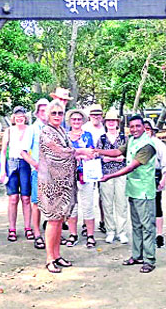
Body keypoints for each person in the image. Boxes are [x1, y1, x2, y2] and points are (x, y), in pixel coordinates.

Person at [37, 99, 94, 273]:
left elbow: (69, 153)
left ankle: (57, 255)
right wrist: (81, 152)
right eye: (53, 113)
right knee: (53, 222)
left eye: (60, 113)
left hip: (65, 184)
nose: (57, 116)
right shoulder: (46, 132)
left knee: (59, 221)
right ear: (47, 115)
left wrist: (82, 156)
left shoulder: (61, 130)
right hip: (51, 185)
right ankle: (49, 259)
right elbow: (58, 152)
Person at [100, 115, 157, 274]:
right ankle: (137, 255)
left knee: (147, 226)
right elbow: (117, 151)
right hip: (133, 189)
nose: (134, 129)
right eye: (131, 127)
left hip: (144, 191)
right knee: (136, 225)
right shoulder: (131, 140)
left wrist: (110, 176)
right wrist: (97, 151)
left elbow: (131, 166)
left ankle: (149, 259)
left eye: (138, 126)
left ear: (143, 127)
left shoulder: (147, 145)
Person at [0, 106, 32, 242]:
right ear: (13, 117)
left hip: (26, 164)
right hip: (11, 163)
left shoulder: (30, 131)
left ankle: (28, 228)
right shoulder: (9, 131)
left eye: (22, 115)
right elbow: (3, 151)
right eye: (17, 115)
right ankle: (12, 228)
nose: (19, 118)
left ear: (25, 117)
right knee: (13, 198)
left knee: (26, 198)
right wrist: (2, 170)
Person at [65, 108, 97, 248]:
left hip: (85, 174)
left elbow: (92, 153)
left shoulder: (88, 135)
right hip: (68, 176)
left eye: (79, 119)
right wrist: (79, 154)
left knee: (88, 205)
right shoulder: (65, 136)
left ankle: (90, 235)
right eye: (74, 119)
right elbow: (63, 154)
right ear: (70, 121)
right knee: (72, 207)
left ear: (82, 121)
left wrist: (78, 155)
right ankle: (73, 234)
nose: (76, 122)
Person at [21, 98, 49, 249]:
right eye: (42, 110)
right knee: (36, 203)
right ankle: (37, 233)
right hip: (38, 172)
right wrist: (36, 165)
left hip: (54, 172)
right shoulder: (32, 129)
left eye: (47, 110)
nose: (45, 113)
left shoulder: (54, 128)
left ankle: (53, 233)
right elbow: (23, 152)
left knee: (53, 204)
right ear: (37, 113)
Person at [97, 110, 128, 244]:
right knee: (107, 203)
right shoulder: (102, 139)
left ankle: (121, 232)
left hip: (121, 173)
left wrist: (116, 158)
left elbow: (127, 156)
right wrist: (111, 158)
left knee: (121, 203)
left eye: (113, 121)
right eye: (108, 121)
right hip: (106, 175)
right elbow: (98, 156)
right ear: (105, 123)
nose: (111, 123)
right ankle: (110, 231)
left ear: (117, 123)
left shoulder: (124, 138)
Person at [143, 118, 166, 249]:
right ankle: (146, 232)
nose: (145, 131)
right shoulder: (136, 143)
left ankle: (159, 234)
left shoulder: (158, 144)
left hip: (155, 175)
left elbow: (165, 164)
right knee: (143, 206)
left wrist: (163, 178)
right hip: (141, 177)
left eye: (148, 129)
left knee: (157, 205)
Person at [83, 103, 107, 235]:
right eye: (93, 114)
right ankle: (86, 224)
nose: (96, 116)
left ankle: (103, 221)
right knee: (88, 195)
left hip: (103, 163)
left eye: (98, 114)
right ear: (89, 116)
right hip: (88, 164)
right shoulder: (84, 128)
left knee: (103, 194)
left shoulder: (106, 128)